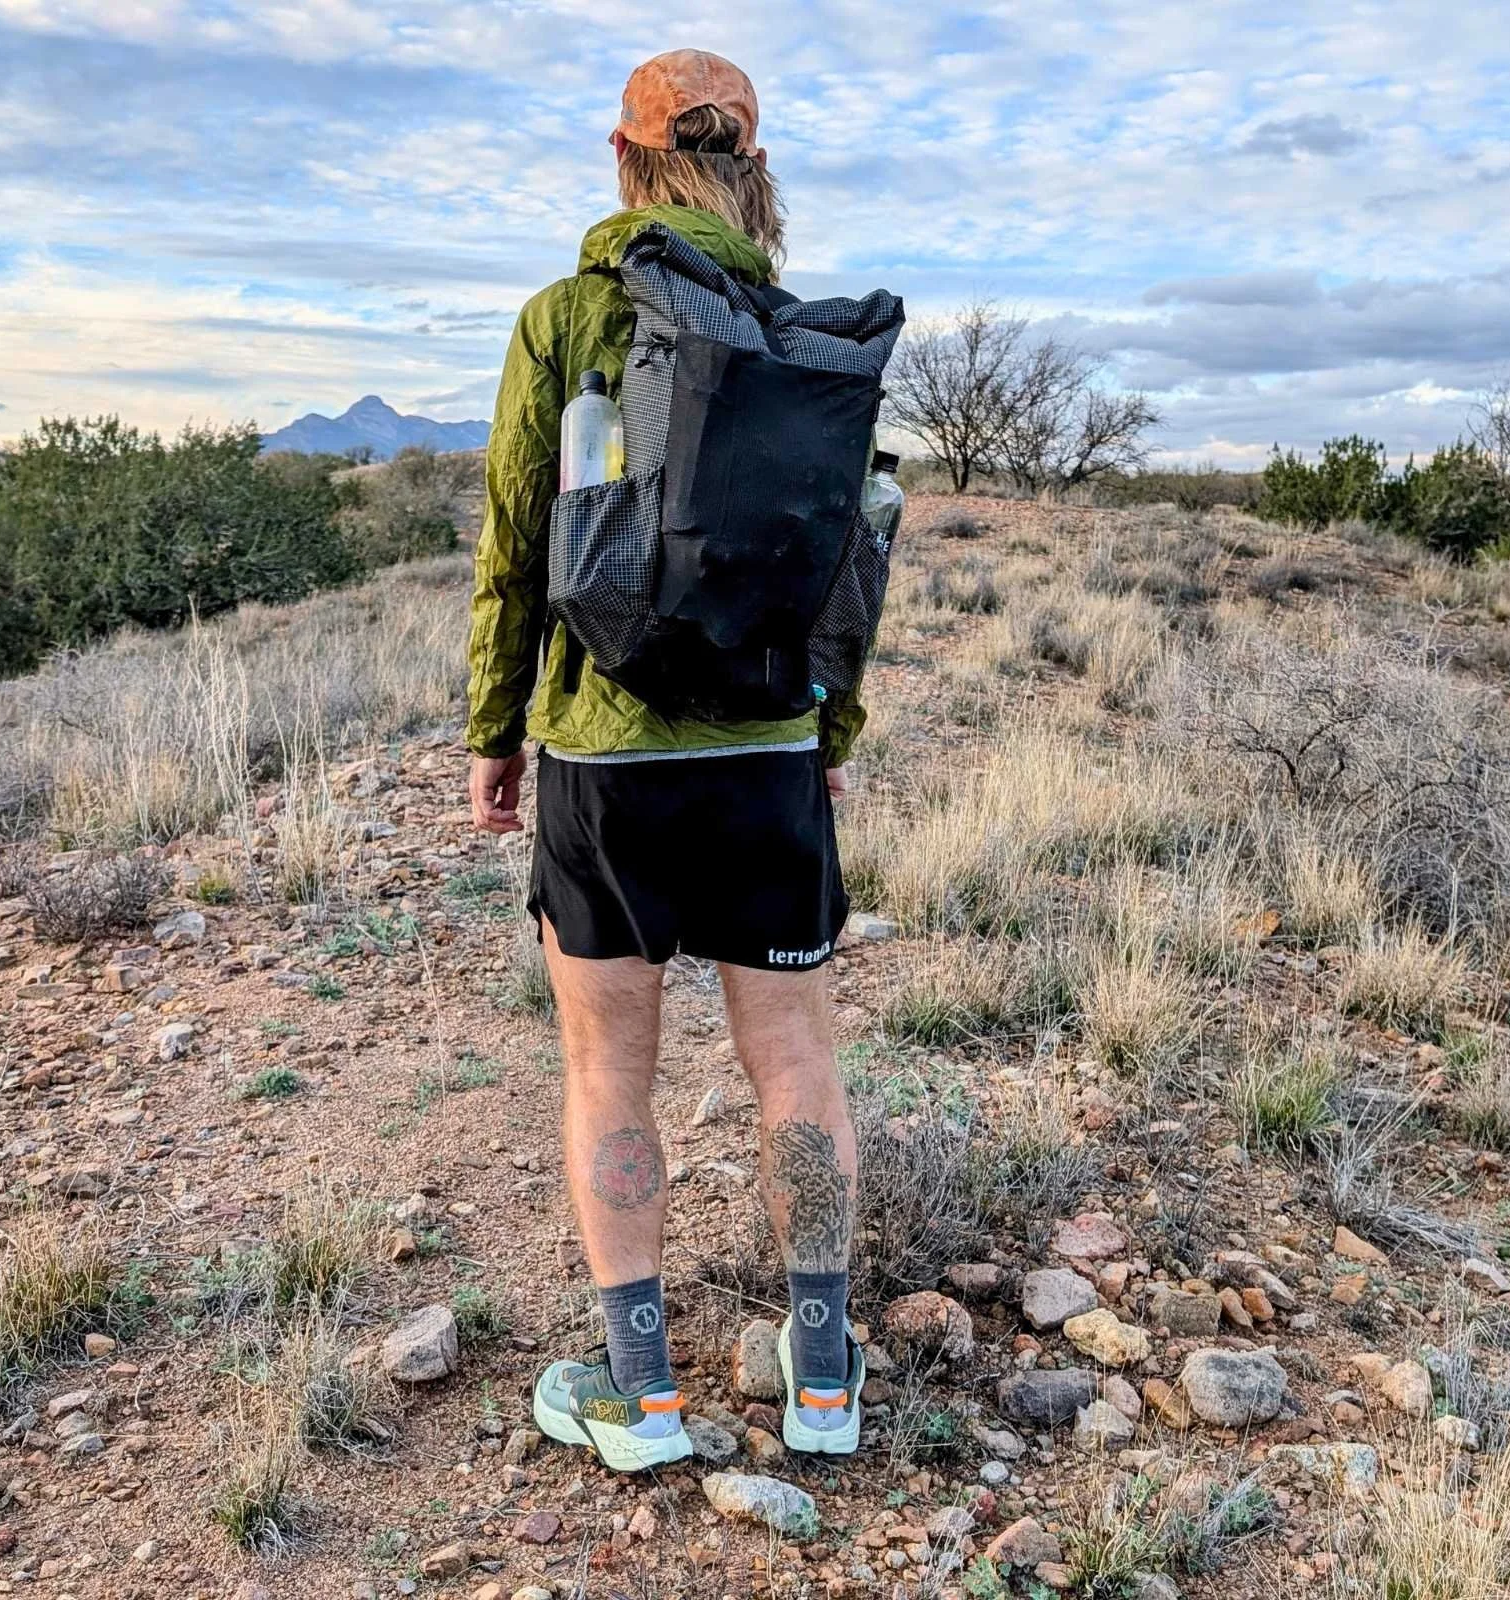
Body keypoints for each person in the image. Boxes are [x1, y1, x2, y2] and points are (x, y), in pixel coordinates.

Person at [465, 49, 869, 1472]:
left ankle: (642, 1399)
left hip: (602, 759)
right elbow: (843, 561)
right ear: (755, 165)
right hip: (766, 748)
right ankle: (822, 1382)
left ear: (626, 158)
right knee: (796, 1063)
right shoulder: (797, 326)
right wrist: (831, 733)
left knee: (607, 1073)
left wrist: (495, 731)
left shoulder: (565, 317)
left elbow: (517, 544)